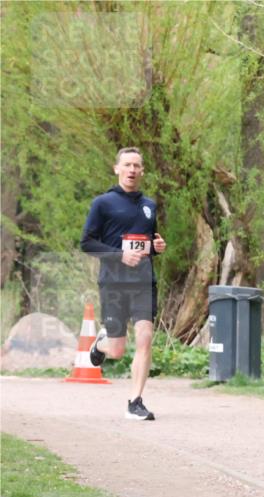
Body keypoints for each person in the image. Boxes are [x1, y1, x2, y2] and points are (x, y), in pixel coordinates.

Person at [83, 147, 166, 421]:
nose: (132, 170)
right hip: (114, 283)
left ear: (142, 171)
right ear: (116, 168)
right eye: (127, 165)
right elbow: (87, 243)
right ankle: (101, 344)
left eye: (137, 166)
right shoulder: (103, 203)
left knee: (144, 338)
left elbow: (147, 242)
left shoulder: (149, 205)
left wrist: (156, 246)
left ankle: (135, 401)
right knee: (117, 349)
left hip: (143, 281)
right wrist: (120, 255)